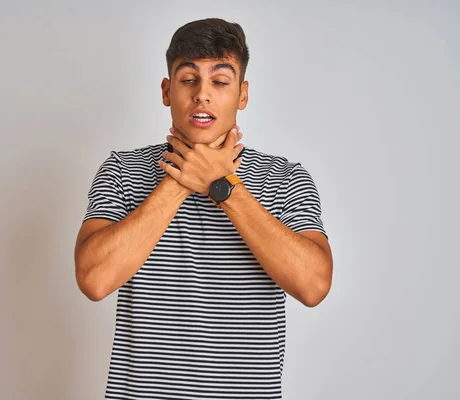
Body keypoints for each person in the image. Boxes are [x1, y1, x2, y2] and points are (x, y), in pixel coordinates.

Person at [74, 17, 333, 400]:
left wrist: (223, 186)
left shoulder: (285, 178)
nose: (202, 95)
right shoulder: (122, 171)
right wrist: (180, 178)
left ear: (242, 94)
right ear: (167, 90)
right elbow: (94, 280)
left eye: (220, 81)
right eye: (189, 79)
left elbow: (313, 286)